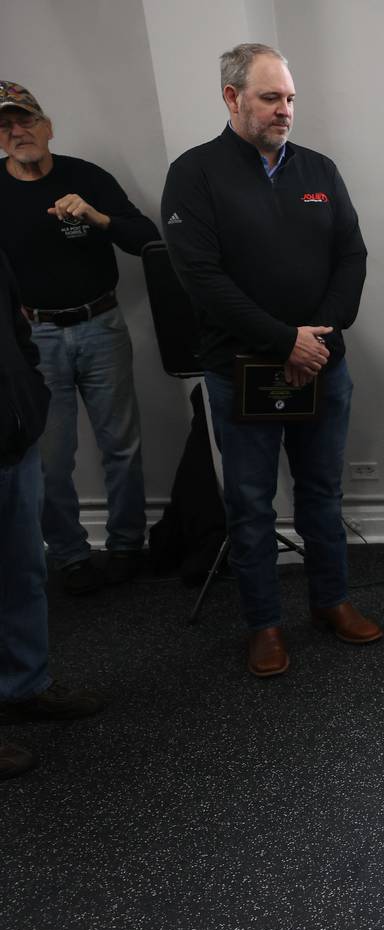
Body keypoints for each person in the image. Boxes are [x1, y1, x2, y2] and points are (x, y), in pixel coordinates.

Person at [161, 43, 381, 678]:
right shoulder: (194, 174)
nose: (285, 110)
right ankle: (263, 623)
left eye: (289, 98)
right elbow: (201, 278)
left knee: (321, 492)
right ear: (232, 99)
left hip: (321, 365)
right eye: (270, 98)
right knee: (251, 504)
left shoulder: (319, 169)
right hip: (243, 372)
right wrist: (284, 342)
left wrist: (314, 340)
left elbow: (352, 257)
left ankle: (331, 602)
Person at [0, 81, 159, 596]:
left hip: (101, 326)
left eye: (24, 120)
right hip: (35, 338)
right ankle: (69, 554)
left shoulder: (86, 176)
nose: (17, 131)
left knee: (122, 445)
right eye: (5, 126)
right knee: (49, 456)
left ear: (48, 127)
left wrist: (98, 217)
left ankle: (127, 545)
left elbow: (147, 240)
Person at [1, 249, 105, 780]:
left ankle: (24, 687)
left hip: (12, 436)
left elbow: (15, 323)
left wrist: (32, 397)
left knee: (24, 572)